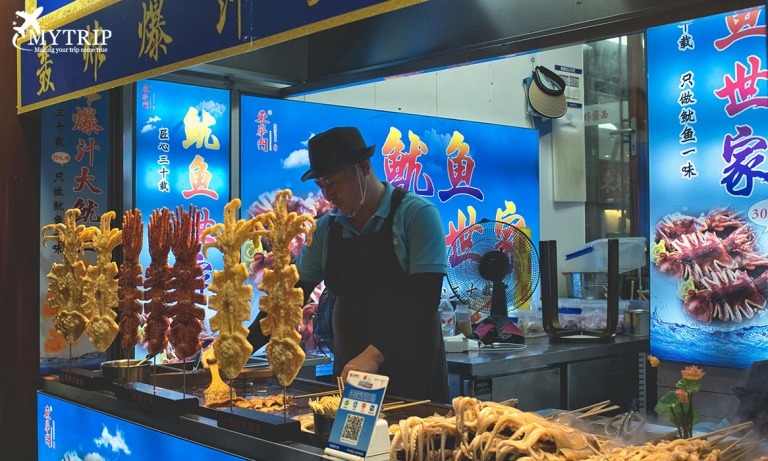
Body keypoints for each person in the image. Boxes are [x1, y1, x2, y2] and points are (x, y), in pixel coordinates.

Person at [248, 126, 449, 403]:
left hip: (412, 375)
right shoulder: (325, 230)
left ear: (363, 167)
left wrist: (373, 356)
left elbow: (424, 297)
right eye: (321, 187)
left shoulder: (417, 216)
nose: (328, 195)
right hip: (350, 376)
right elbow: (288, 301)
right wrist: (241, 346)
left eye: (334, 183)